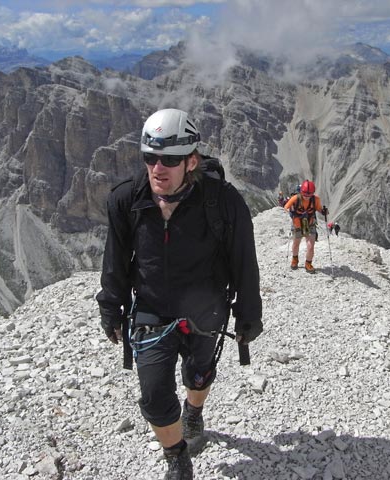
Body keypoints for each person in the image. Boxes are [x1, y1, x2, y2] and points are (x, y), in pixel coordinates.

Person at [96, 108, 263, 479]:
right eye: (150, 158)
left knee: (199, 373)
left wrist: (249, 314)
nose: (158, 168)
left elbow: (243, 263)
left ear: (191, 161)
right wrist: (110, 306)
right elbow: (116, 259)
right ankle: (176, 456)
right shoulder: (127, 200)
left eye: (169, 159)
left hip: (207, 307)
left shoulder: (223, 202)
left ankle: (194, 411)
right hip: (152, 308)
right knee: (154, 396)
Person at [283, 179, 328, 273]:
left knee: (311, 246)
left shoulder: (315, 199)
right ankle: (295, 259)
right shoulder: (295, 198)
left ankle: (308, 263)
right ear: (301, 192)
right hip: (297, 224)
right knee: (296, 244)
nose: (307, 197)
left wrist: (323, 211)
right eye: (305, 195)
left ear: (312, 193)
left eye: (309, 195)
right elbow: (286, 207)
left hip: (310, 223)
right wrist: (290, 211)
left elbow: (319, 209)